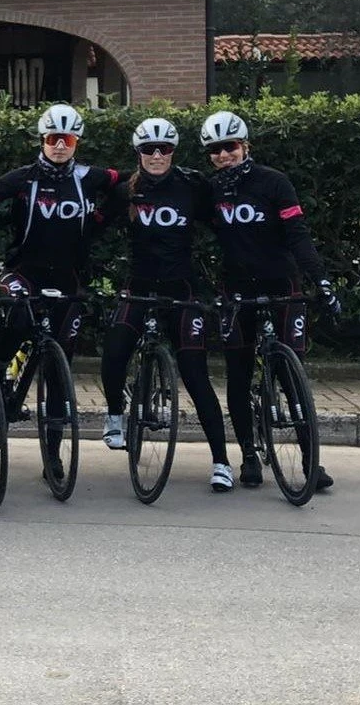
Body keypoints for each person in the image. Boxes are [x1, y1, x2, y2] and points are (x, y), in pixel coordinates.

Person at [0, 103, 119, 482]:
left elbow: (126, 184)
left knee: (59, 370)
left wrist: (100, 220)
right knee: (19, 318)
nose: (59, 146)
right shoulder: (24, 178)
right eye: (53, 138)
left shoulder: (90, 177)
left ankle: (52, 456)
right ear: (42, 140)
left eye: (67, 140)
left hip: (69, 279)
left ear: (76, 142)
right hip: (24, 272)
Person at [200, 110, 337, 490]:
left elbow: (298, 235)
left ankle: (311, 462)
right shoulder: (210, 190)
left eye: (230, 146)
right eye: (215, 150)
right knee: (239, 373)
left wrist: (321, 280)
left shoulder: (274, 182)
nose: (223, 155)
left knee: (292, 377)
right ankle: (248, 455)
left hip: (282, 284)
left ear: (245, 145)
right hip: (236, 288)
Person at [97, 118, 234, 491]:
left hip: (181, 290)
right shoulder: (125, 191)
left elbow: (222, 224)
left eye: (165, 149)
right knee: (115, 350)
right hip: (139, 286)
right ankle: (114, 417)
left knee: (196, 375)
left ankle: (221, 462)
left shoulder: (191, 186)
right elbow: (93, 227)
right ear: (138, 152)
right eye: (148, 149)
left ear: (173, 152)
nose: (156, 155)